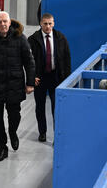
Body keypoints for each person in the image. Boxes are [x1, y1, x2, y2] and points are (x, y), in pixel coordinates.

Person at [0, 11, 35, 162]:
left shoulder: (20, 38)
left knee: (14, 115)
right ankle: (2, 148)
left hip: (14, 84)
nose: (3, 24)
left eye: (5, 21)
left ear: (10, 22)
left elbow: (29, 62)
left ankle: (13, 132)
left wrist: (30, 83)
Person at [28, 13, 71, 142]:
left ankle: (57, 133)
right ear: (41, 24)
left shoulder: (60, 38)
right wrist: (32, 77)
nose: (48, 26)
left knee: (56, 107)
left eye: (50, 23)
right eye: (45, 23)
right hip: (40, 78)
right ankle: (42, 132)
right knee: (40, 106)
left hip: (55, 77)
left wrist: (66, 79)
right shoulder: (33, 39)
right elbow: (28, 61)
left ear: (54, 23)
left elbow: (67, 58)